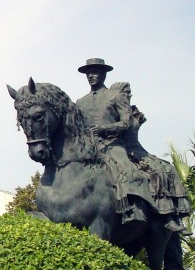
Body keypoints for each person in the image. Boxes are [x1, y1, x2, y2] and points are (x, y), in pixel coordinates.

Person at [75, 58, 188, 232]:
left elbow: (126, 123)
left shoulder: (115, 96)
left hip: (112, 145)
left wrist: (105, 129)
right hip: (89, 148)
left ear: (104, 74)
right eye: (88, 73)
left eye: (95, 72)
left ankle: (136, 211)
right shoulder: (80, 102)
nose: (91, 76)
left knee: (128, 171)